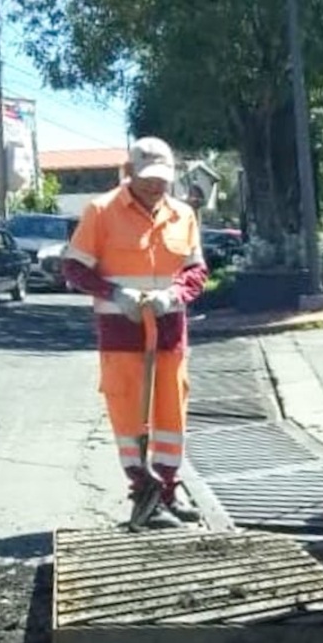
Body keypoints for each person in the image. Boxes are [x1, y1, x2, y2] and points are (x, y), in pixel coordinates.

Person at [62, 136, 208, 530]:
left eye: (162, 178)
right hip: (121, 335)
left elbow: (197, 270)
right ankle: (143, 497)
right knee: (130, 419)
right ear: (130, 173)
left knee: (170, 418)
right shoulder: (101, 211)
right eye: (147, 178)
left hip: (168, 333)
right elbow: (74, 267)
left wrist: (174, 294)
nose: (155, 186)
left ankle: (168, 492)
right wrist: (115, 293)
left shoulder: (182, 214)